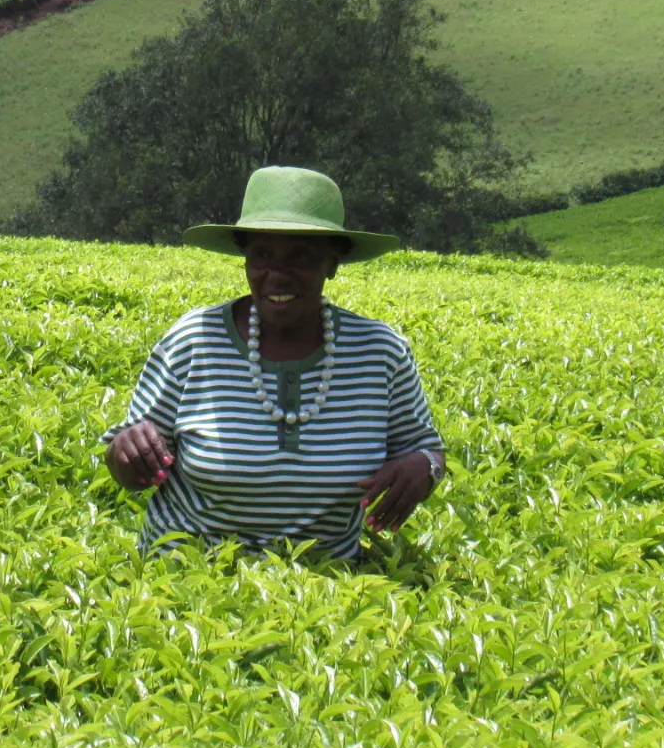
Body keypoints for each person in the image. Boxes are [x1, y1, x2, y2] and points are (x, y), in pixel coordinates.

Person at [104, 166, 445, 559]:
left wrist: (425, 468)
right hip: (190, 586)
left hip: (324, 590)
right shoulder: (193, 340)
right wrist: (126, 453)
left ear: (332, 263)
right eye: (262, 254)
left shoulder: (380, 353)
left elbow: (426, 449)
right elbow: (126, 464)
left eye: (300, 257)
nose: (276, 275)